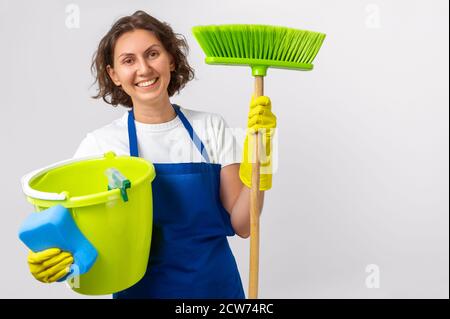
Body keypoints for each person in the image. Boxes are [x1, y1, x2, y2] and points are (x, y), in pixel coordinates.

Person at [26, 10, 276, 299]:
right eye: (128, 61)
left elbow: (244, 224)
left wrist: (263, 156)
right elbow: (72, 233)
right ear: (114, 75)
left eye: (152, 54)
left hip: (215, 290)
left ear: (170, 58)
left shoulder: (210, 127)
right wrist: (55, 258)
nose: (144, 69)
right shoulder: (100, 145)